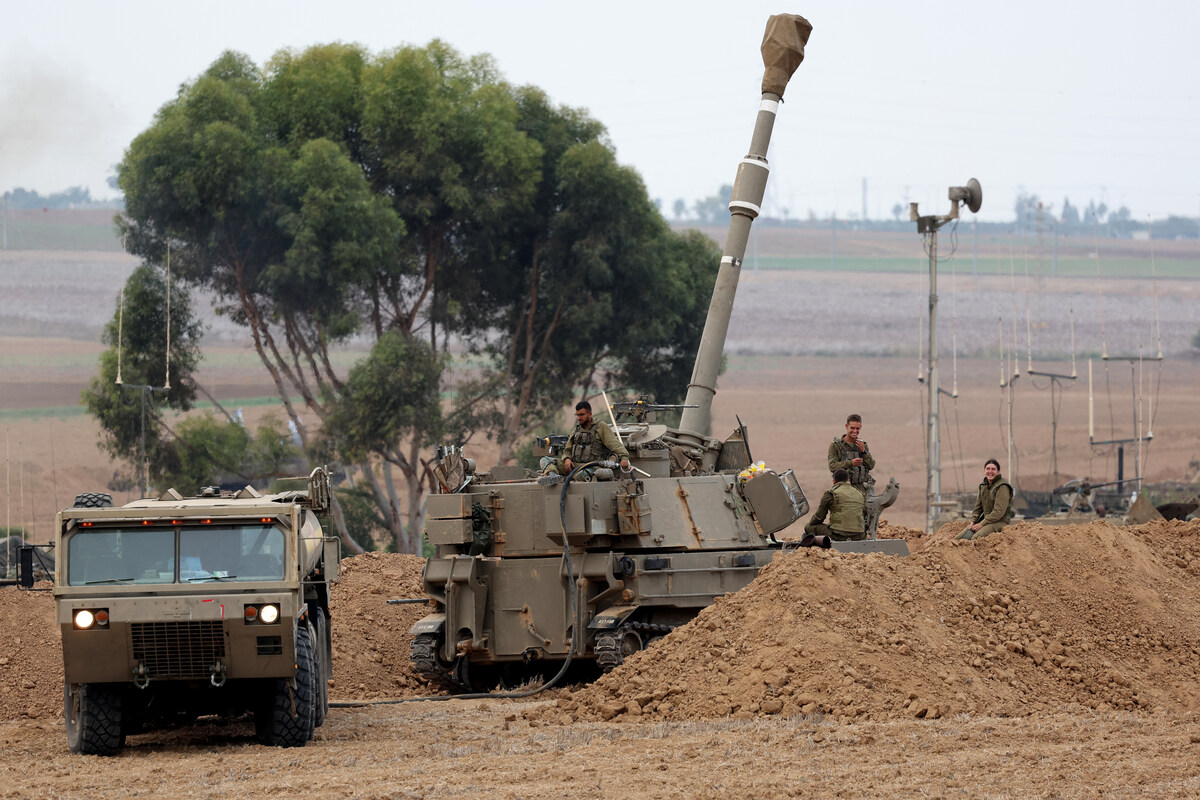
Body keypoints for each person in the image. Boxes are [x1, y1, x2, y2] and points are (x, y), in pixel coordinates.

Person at [540, 400, 630, 478]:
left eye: (582, 414)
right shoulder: (577, 429)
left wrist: (624, 458)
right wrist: (567, 459)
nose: (579, 417)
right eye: (577, 415)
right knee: (545, 460)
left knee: (581, 475)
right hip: (575, 465)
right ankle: (553, 477)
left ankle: (571, 477)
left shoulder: (600, 427)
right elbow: (567, 449)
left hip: (592, 467)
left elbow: (615, 444)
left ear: (590, 414)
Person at [804, 468, 867, 542]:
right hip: (860, 535)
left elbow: (819, 517)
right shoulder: (859, 493)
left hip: (838, 535)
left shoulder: (831, 493)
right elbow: (864, 513)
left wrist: (812, 523)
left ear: (834, 481)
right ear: (848, 480)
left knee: (808, 527)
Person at [958, 459, 1014, 540]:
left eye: (993, 469)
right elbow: (978, 508)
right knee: (960, 538)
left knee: (976, 538)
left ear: (998, 471)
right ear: (984, 470)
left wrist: (981, 524)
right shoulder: (983, 486)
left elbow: (998, 512)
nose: (990, 471)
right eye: (988, 469)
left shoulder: (1003, 487)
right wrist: (973, 522)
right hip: (985, 521)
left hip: (999, 522)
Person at [827, 413, 875, 497]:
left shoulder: (862, 445)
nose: (855, 431)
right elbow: (832, 466)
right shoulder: (836, 446)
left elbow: (871, 465)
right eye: (852, 428)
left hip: (861, 490)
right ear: (846, 426)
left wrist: (863, 451)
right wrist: (850, 463)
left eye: (857, 428)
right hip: (843, 490)